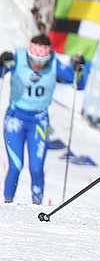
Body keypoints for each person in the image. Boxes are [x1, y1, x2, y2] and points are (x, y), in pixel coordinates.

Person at [1, 35, 85, 204]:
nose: (38, 65)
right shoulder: (18, 58)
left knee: (37, 168)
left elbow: (78, 83)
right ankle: (7, 203)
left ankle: (37, 206)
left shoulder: (53, 62)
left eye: (42, 61)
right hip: (15, 119)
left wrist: (79, 67)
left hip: (39, 121)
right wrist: (2, 61)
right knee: (16, 166)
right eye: (33, 60)